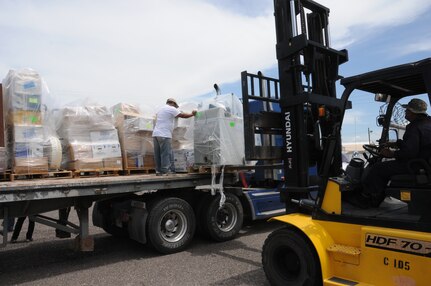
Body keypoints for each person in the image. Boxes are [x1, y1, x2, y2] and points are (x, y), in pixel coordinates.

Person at [352, 98, 431, 208]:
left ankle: (366, 198)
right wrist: (396, 144)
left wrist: (391, 154)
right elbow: (416, 144)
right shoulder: (427, 123)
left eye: (407, 110)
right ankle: (377, 196)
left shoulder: (414, 126)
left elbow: (409, 152)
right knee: (384, 168)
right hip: (423, 163)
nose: (405, 112)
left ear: (413, 112)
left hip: (414, 164)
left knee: (378, 168)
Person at [152, 98, 197, 175]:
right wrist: (192, 114)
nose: (176, 108)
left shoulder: (161, 109)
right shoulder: (171, 108)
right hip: (164, 134)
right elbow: (182, 115)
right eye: (175, 106)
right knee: (165, 153)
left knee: (158, 154)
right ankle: (166, 171)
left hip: (156, 134)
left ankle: (158, 171)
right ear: (172, 103)